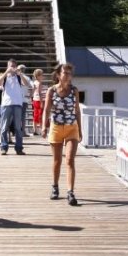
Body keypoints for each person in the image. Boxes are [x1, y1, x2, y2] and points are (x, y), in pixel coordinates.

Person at [42, 63, 82, 205]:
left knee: (70, 160)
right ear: (58, 75)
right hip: (56, 128)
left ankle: (70, 192)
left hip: (72, 128)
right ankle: (55, 186)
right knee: (57, 161)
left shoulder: (74, 90)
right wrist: (43, 126)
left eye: (70, 73)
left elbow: (77, 110)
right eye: (65, 73)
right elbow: (46, 110)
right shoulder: (51, 91)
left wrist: (80, 129)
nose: (68, 76)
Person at [0, 61, 32, 155]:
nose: (12, 68)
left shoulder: (19, 76)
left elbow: (27, 83)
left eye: (14, 66)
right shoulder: (4, 77)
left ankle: (19, 148)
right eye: (11, 66)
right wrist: (6, 72)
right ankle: (4, 147)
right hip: (6, 104)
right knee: (4, 127)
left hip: (17, 104)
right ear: (7, 66)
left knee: (18, 128)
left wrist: (20, 73)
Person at [30, 69, 45, 136]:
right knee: (40, 115)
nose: (43, 76)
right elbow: (39, 93)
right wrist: (42, 101)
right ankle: (41, 130)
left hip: (34, 100)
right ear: (38, 76)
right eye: (42, 75)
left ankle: (35, 130)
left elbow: (32, 92)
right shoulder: (39, 83)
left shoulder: (34, 82)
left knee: (35, 115)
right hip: (38, 100)